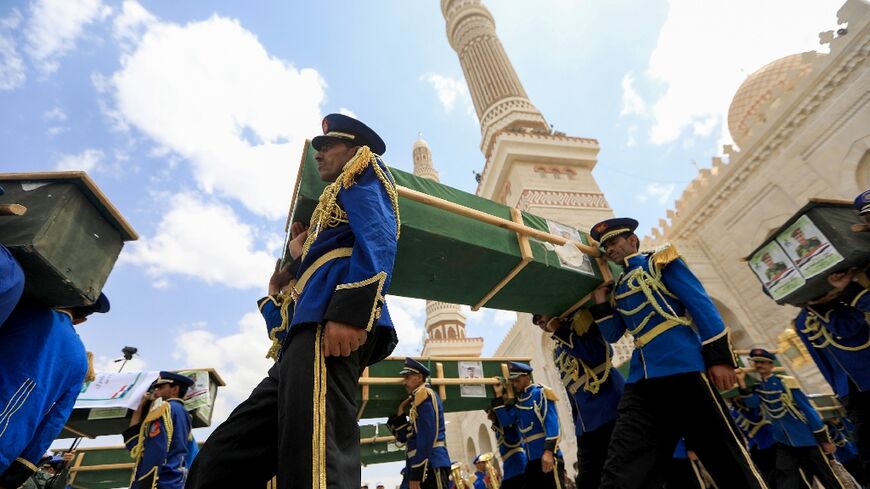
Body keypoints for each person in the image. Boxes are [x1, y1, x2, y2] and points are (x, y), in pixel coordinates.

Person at [188, 113, 400, 489]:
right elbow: (321, 266)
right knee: (225, 455)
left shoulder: (363, 171)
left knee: (317, 453)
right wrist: (297, 260)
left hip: (329, 324)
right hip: (300, 337)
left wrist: (351, 312)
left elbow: (380, 235)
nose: (318, 154)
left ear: (355, 150)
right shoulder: (328, 208)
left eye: (327, 146)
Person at [587, 217, 767, 489]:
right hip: (642, 381)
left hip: (683, 367)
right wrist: (601, 302)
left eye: (614, 241)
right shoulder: (620, 287)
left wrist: (719, 358)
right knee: (624, 461)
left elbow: (700, 305)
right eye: (606, 247)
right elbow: (613, 334)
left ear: (632, 240)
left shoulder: (660, 262)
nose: (610, 249)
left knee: (723, 455)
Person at [0, 294, 109, 489]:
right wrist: (22, 467)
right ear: (81, 320)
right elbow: (56, 419)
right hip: (6, 445)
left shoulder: (24, 311)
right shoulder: (80, 360)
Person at [793, 265, 870, 486]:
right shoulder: (802, 321)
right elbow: (821, 359)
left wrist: (830, 300)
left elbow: (847, 328)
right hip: (850, 389)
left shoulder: (848, 300)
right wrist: (838, 389)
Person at [532, 312, 623, 489]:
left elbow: (599, 352)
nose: (539, 322)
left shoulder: (583, 324)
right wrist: (578, 428)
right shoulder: (559, 349)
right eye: (536, 321)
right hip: (587, 427)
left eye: (541, 316)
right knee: (588, 482)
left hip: (612, 413)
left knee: (623, 475)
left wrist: (560, 330)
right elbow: (571, 393)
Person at [739, 348, 845, 489]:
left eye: (763, 362)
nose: (759, 365)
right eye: (756, 362)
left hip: (805, 438)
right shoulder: (759, 388)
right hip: (783, 441)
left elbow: (808, 410)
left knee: (825, 476)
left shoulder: (786, 383)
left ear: (771, 365)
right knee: (785, 479)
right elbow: (752, 403)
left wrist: (823, 439)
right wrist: (741, 382)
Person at [491, 361, 565, 489]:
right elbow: (506, 421)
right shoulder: (519, 401)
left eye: (517, 380)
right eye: (512, 381)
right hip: (532, 460)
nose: (514, 384)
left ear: (527, 377)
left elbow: (551, 422)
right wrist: (498, 397)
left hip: (547, 455)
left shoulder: (540, 393)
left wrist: (548, 452)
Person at [387, 358, 451, 489]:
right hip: (418, 464)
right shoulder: (415, 402)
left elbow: (427, 435)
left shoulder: (425, 395)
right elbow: (404, 438)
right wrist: (400, 412)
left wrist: (418, 472)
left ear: (419, 377)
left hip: (430, 464)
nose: (404, 382)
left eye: (408, 377)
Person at [124, 371, 194, 489]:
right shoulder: (182, 412)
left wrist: (146, 482)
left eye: (161, 387)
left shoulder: (165, 409)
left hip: (160, 482)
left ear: (174, 389)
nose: (156, 391)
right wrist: (141, 405)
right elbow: (136, 444)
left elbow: (156, 448)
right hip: (174, 481)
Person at [487, 409, 526, 489]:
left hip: (518, 466)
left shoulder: (509, 424)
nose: (488, 416)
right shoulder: (499, 427)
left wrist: (496, 421)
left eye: (490, 412)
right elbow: (495, 429)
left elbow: (515, 437)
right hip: (509, 468)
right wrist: (495, 422)